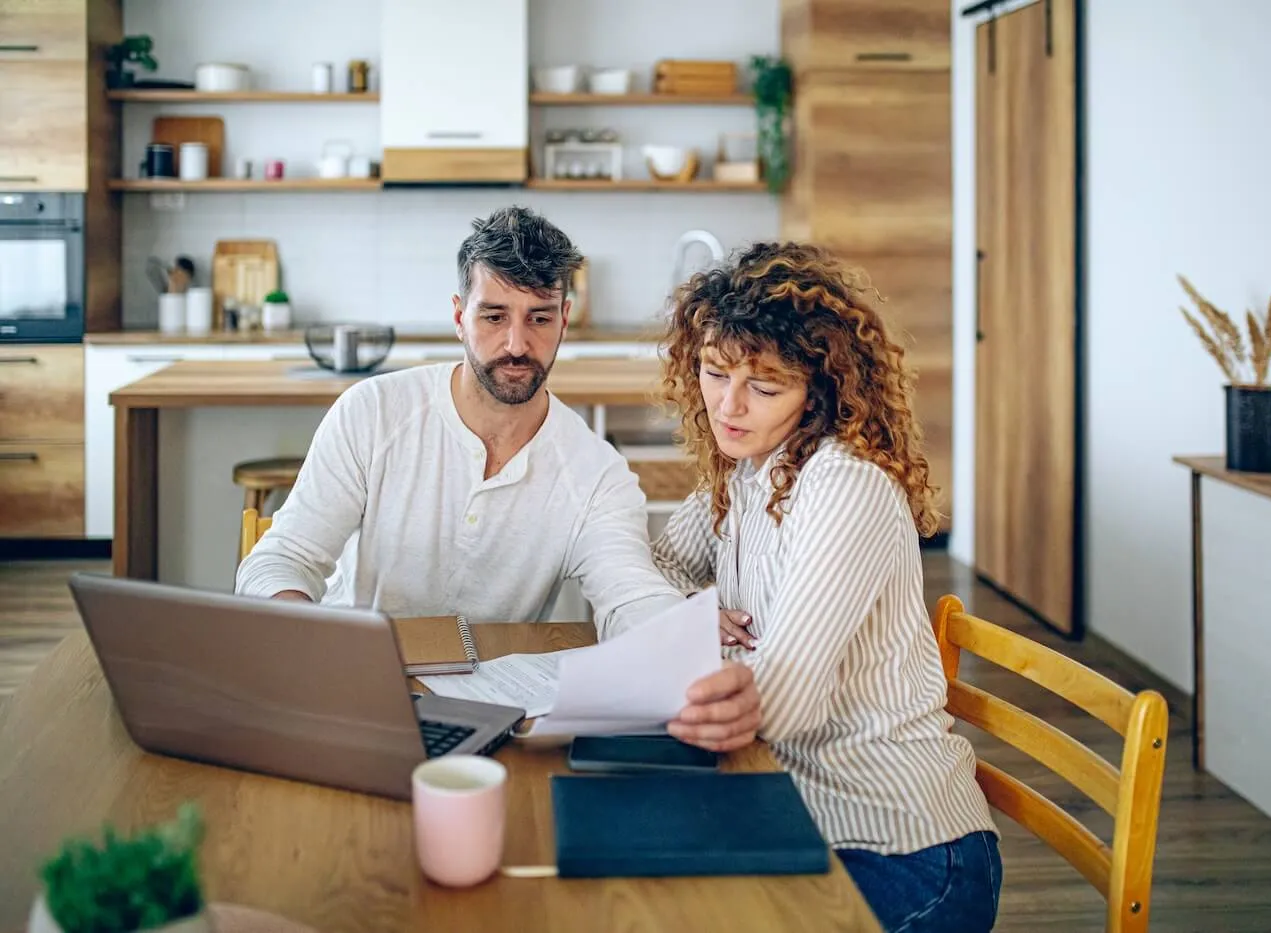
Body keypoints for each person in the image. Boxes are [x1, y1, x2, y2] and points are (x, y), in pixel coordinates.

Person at [234, 205, 758, 752]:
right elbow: (280, 558)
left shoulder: (595, 472)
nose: (516, 344)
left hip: (493, 718)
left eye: (539, 317)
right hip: (353, 694)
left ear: (564, 317)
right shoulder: (372, 412)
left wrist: (682, 638)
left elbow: (629, 594)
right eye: (493, 316)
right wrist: (308, 642)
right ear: (459, 316)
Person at [649, 242, 1002, 932]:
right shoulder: (745, 469)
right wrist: (696, 612)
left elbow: (785, 698)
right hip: (795, 806)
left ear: (821, 389)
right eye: (714, 372)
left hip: (910, 852)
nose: (729, 405)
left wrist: (676, 668)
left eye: (765, 386)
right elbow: (659, 564)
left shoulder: (844, 486)